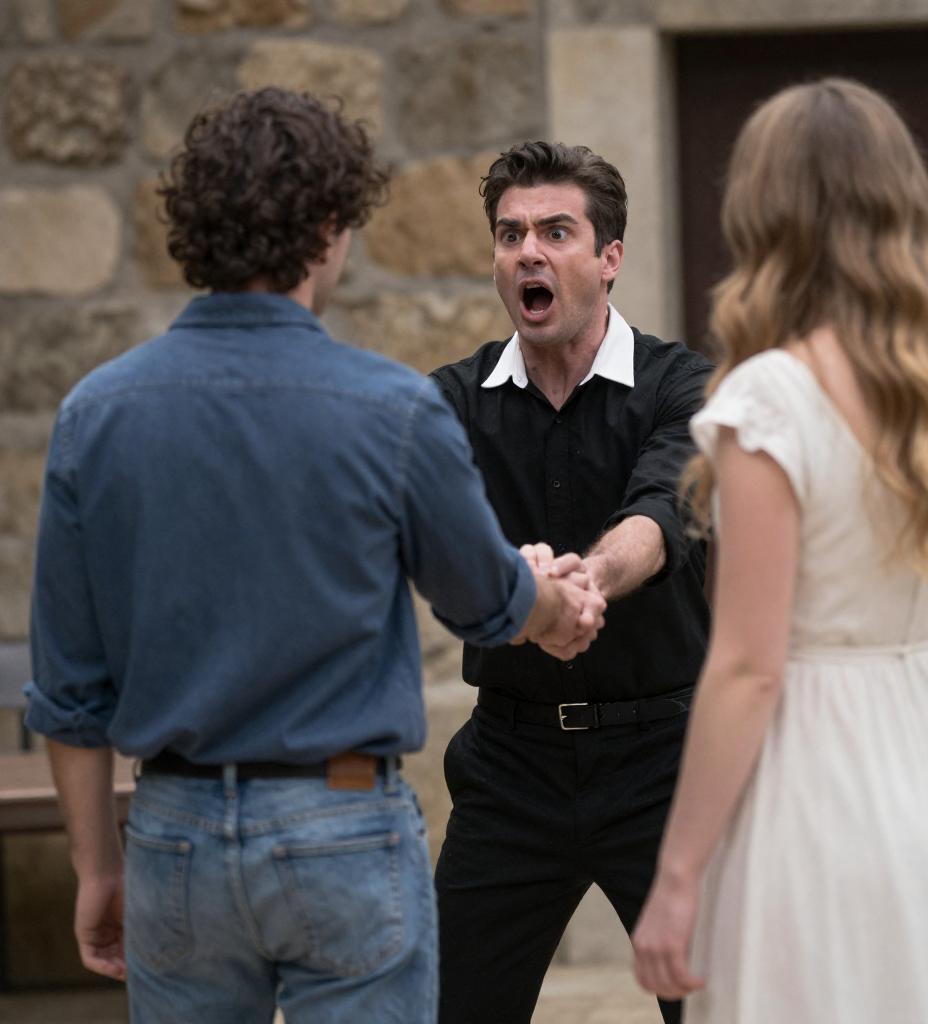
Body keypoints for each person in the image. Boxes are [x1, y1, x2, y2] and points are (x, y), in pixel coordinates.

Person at [23, 88, 606, 1024]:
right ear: (330, 228)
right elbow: (485, 601)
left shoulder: (96, 413)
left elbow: (68, 686)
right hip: (342, 826)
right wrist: (555, 601)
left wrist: (97, 866)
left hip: (173, 830)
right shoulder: (388, 408)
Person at [631, 78, 928, 1023]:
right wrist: (914, 760)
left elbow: (749, 666)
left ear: (765, 212)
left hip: (808, 793)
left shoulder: (771, 398)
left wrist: (678, 875)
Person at [430, 141, 713, 1024]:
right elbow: (437, 552)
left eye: (556, 232)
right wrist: (516, 594)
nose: (529, 252)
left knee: (724, 1007)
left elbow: (664, 515)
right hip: (511, 764)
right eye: (510, 234)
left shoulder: (682, 385)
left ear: (609, 257)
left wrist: (575, 584)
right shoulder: (450, 403)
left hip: (665, 760)